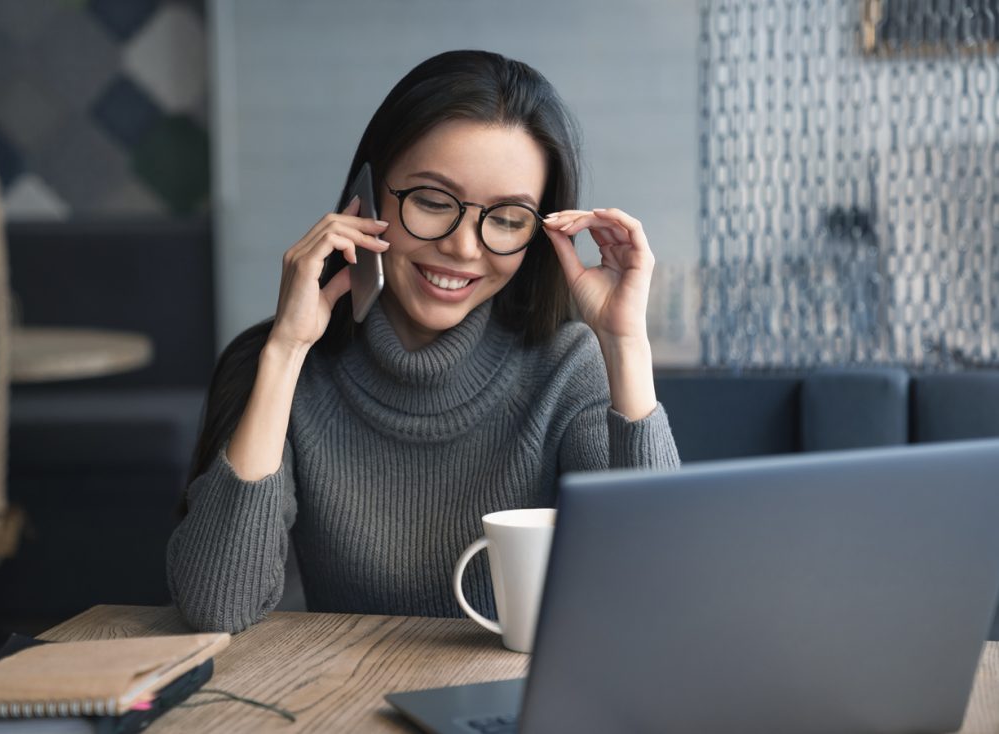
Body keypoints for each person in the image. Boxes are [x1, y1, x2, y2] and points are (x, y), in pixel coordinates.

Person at [167, 50, 681, 634]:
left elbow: (659, 589)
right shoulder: (283, 368)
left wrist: (624, 345)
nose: (464, 248)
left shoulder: (564, 368)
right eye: (434, 202)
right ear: (367, 193)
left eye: (509, 219)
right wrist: (284, 352)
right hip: (343, 704)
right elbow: (217, 606)